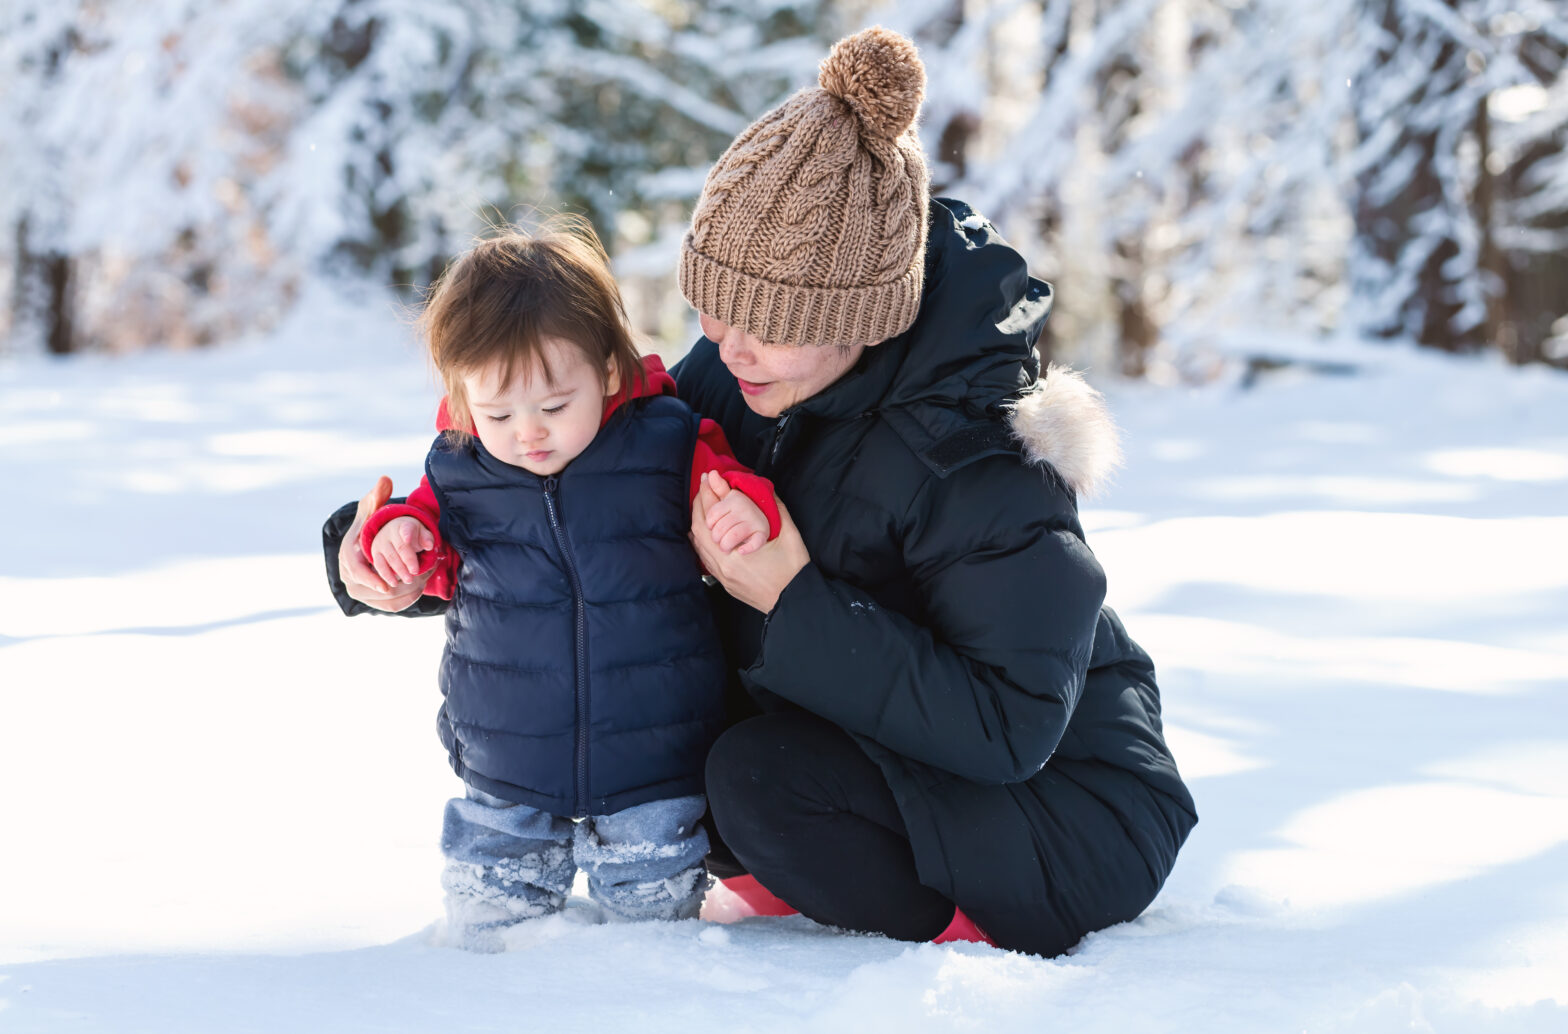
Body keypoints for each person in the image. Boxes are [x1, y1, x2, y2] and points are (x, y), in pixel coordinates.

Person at [324, 26, 1196, 958]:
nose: (726, 345)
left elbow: (1009, 727)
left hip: (1069, 805)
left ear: (857, 315)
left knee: (750, 777)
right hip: (892, 751)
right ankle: (806, 870)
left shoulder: (977, 456)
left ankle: (958, 926)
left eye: (766, 326)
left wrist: (792, 599)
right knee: (674, 730)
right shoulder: (742, 377)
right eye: (713, 310)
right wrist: (384, 552)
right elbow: (577, 506)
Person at [350, 222, 780, 950]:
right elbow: (424, 548)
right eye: (497, 413)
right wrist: (396, 538)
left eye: (553, 406)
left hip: (654, 749)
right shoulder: (459, 470)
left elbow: (735, 491)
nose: (528, 434)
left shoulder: (666, 442)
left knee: (653, 927)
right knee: (491, 927)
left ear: (609, 372)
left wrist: (744, 509)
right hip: (505, 756)